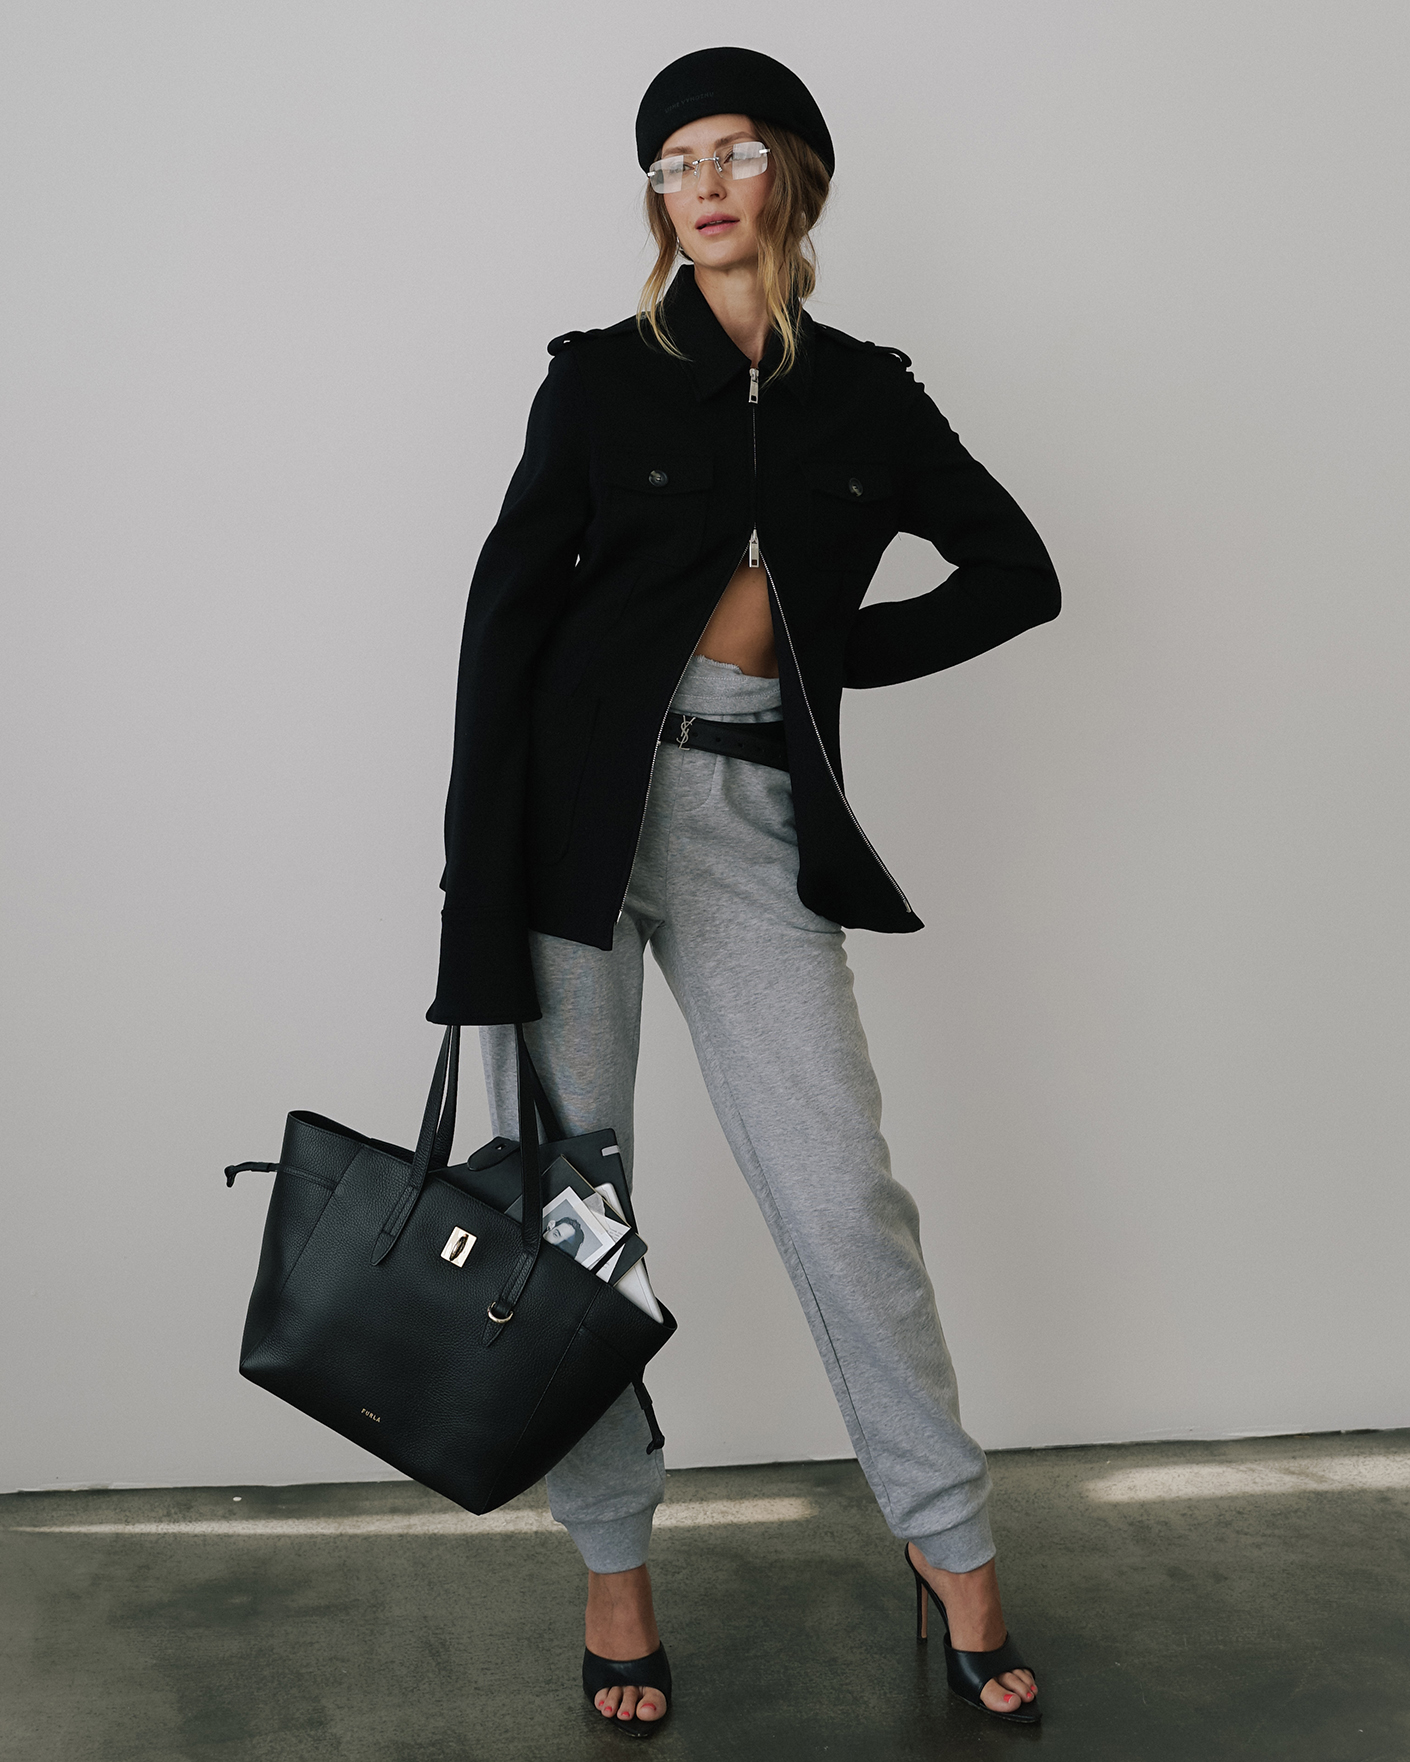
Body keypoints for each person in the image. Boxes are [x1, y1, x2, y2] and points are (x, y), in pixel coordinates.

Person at [429, 45, 1060, 1736]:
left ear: (794, 174)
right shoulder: (596, 381)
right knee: (573, 1217)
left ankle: (946, 1539)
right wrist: (471, 903)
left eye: (733, 153)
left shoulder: (868, 396)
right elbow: (501, 638)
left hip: (752, 817)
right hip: (566, 825)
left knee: (845, 1194)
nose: (701, 186)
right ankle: (612, 1566)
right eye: (672, 164)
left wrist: (823, 655)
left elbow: (1017, 574)